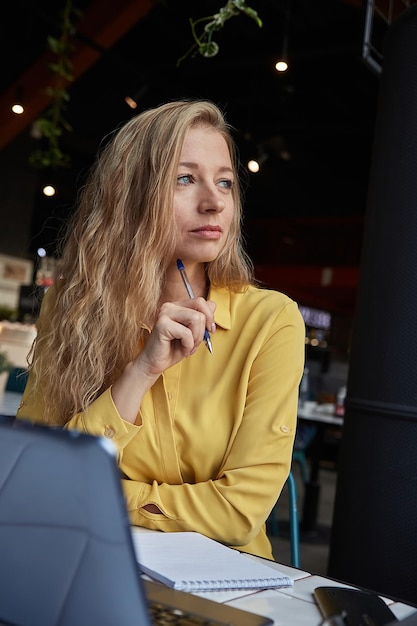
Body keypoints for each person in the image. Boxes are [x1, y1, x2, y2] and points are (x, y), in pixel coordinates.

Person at [17, 99, 305, 559]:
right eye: (185, 179)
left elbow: (236, 513)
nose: (213, 202)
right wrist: (141, 371)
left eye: (225, 182)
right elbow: (36, 475)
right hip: (91, 557)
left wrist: (97, 495)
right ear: (131, 195)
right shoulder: (71, 308)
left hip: (226, 584)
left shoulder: (270, 321)